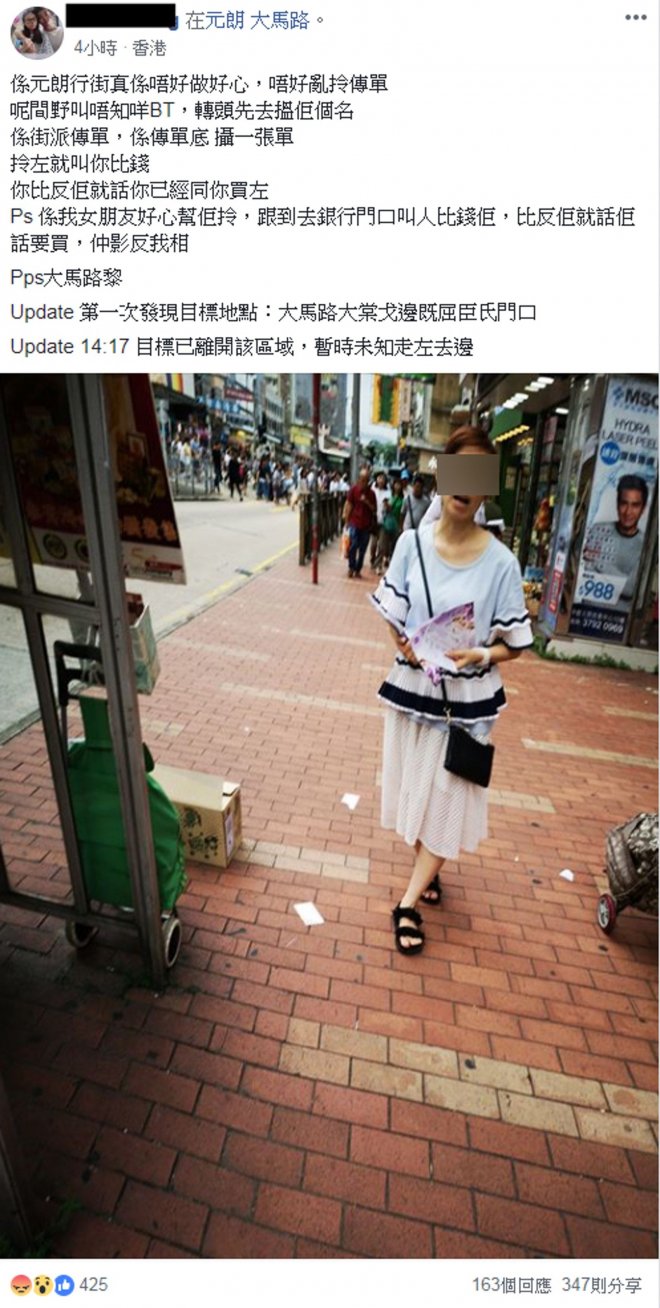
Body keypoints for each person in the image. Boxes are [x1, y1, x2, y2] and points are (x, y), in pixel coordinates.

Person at [369, 426, 533, 955]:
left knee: (447, 798)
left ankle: (407, 903)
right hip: (413, 687)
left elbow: (515, 643)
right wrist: (402, 641)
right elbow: (392, 612)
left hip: (465, 702)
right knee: (415, 793)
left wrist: (481, 654)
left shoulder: (501, 563)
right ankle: (428, 869)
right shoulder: (410, 545)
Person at [582, 474, 649, 602]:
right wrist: (619, 578)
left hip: (618, 613)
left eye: (635, 505)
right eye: (624, 503)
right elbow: (585, 570)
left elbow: (630, 589)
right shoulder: (598, 529)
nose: (628, 512)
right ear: (617, 504)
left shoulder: (645, 544)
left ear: (643, 509)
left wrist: (599, 561)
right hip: (586, 609)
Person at [343, 465, 377, 579]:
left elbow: (374, 509)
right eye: (362, 480)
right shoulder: (353, 490)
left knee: (362, 550)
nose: (364, 483)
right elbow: (349, 505)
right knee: (353, 545)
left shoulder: (371, 494)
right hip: (354, 522)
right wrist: (346, 521)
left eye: (366, 480)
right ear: (359, 479)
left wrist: (366, 502)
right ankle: (351, 567)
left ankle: (358, 569)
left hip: (366, 525)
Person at [377, 476, 404, 574]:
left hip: (396, 526)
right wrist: (385, 506)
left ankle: (392, 568)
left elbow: (401, 513)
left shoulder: (402, 500)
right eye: (396, 484)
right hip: (386, 524)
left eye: (399, 485)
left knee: (394, 548)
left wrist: (401, 527)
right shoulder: (389, 496)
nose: (397, 486)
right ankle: (378, 565)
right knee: (382, 545)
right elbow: (385, 510)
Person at [370, 471, 390, 571]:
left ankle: (378, 565)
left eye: (383, 478)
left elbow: (389, 506)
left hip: (383, 521)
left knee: (382, 545)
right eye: (379, 478)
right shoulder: (373, 489)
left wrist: (387, 505)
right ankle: (372, 559)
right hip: (374, 521)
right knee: (373, 545)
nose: (381, 480)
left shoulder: (388, 492)